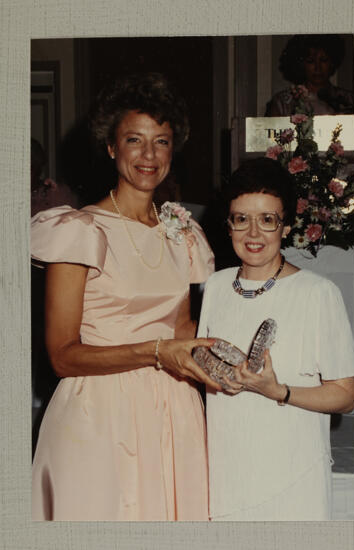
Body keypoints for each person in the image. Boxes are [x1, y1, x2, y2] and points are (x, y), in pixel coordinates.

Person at [31, 72, 221, 521]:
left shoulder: (183, 233)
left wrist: (228, 359)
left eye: (162, 141)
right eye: (135, 140)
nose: (149, 155)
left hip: (172, 410)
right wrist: (156, 352)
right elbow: (62, 356)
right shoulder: (79, 231)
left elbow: (182, 330)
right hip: (97, 412)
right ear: (112, 147)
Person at [197, 157, 354, 521]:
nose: (253, 234)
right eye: (242, 219)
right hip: (225, 472)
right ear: (229, 224)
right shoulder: (217, 285)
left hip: (291, 477)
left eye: (267, 220)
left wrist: (278, 391)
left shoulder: (318, 293)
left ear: (285, 227)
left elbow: (346, 395)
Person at [265, 34, 354, 116]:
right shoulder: (283, 103)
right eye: (310, 61)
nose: (317, 68)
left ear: (332, 63)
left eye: (323, 60)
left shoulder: (350, 100)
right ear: (301, 64)